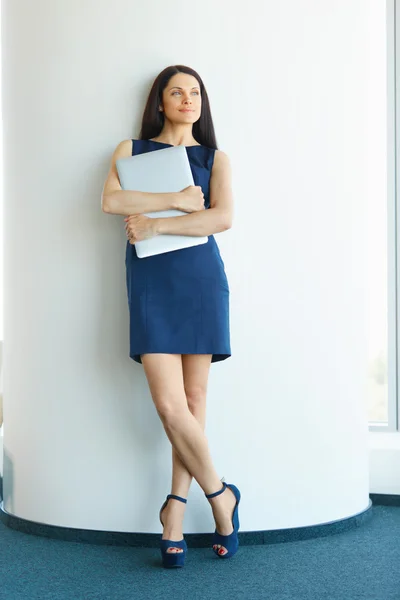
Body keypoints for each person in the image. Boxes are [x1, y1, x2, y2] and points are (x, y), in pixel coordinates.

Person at [101, 65, 241, 568]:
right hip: (152, 284)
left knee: (195, 399)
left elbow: (221, 217)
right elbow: (111, 200)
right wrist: (177, 202)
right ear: (160, 102)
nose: (188, 99)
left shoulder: (214, 157)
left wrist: (159, 224)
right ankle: (221, 494)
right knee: (169, 405)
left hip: (201, 280)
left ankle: (175, 514)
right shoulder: (131, 150)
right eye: (177, 92)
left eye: (195, 92)